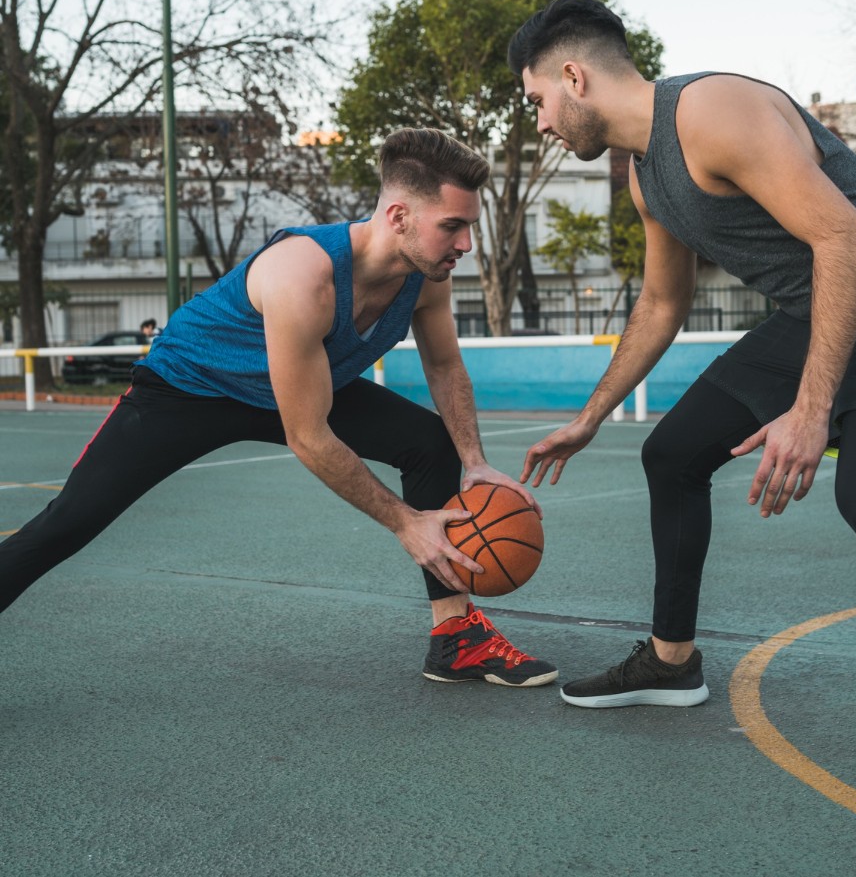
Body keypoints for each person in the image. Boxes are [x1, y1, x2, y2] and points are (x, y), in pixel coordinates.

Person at [508, 0, 856, 836]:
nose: (541, 124)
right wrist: (592, 413)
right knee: (670, 454)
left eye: (536, 102)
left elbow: (848, 241)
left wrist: (811, 414)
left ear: (573, 75)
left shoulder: (712, 112)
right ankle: (670, 662)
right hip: (815, 305)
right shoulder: (642, 172)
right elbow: (662, 303)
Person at [0, 127, 557, 689]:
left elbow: (444, 366)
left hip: (300, 382)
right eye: (452, 227)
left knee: (429, 442)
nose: (465, 244)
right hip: (189, 389)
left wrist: (476, 461)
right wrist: (406, 523)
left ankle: (455, 639)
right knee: (67, 524)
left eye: (468, 228)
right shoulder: (303, 274)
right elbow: (309, 437)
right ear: (398, 216)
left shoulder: (426, 275)